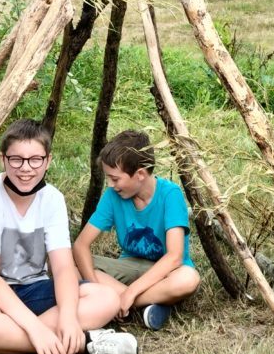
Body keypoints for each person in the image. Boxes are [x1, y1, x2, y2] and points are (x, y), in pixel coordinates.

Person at [0, 119, 139, 354]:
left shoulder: (52, 199)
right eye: (16, 159)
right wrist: (36, 330)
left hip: (32, 288)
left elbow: (62, 268)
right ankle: (85, 342)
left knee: (107, 298)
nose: (25, 168)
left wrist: (69, 317)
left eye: (35, 159)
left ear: (48, 161)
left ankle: (0, 345)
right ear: (2, 159)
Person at [72, 130, 201, 331]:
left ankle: (124, 302)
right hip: (130, 266)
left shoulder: (170, 194)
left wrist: (130, 294)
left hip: (167, 271)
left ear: (140, 174)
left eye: (115, 179)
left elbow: (175, 257)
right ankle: (150, 304)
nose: (110, 185)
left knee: (188, 279)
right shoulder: (112, 196)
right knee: (67, 266)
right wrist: (95, 288)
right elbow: (81, 245)